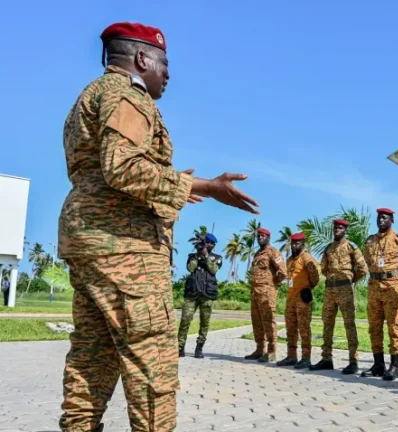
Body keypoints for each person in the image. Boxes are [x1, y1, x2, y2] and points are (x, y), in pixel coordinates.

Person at [57, 22, 258, 432]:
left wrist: (166, 183)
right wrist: (201, 185)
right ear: (142, 58)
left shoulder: (91, 95)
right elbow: (123, 167)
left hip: (89, 238)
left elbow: (103, 167)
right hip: (124, 246)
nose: (167, 73)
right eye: (164, 63)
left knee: (90, 359)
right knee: (153, 363)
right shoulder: (128, 94)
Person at [311, 219, 368, 374]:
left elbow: (363, 268)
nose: (337, 230)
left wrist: (349, 280)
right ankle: (326, 359)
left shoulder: (351, 246)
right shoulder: (328, 248)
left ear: (345, 230)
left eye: (340, 227)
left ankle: (353, 360)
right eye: (335, 227)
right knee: (327, 324)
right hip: (330, 290)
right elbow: (323, 268)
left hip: (345, 290)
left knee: (349, 324)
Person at [361, 208, 398, 381]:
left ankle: (394, 365)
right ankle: (378, 364)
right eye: (379, 217)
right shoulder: (370, 241)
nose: (380, 220)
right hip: (374, 285)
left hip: (392, 286)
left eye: (384, 217)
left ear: (391, 220)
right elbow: (368, 261)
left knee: (393, 326)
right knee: (374, 326)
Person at [177, 233, 223, 359]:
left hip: (207, 295)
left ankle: (199, 348)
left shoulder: (217, 257)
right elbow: (190, 269)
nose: (207, 246)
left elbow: (213, 270)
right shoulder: (192, 256)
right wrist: (198, 255)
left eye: (209, 244)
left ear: (212, 245)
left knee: (204, 323)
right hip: (192, 294)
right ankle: (180, 348)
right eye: (205, 243)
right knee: (185, 321)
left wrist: (206, 255)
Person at [279, 233, 320, 369]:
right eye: (292, 243)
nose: (294, 246)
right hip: (290, 298)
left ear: (302, 244)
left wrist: (309, 288)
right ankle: (291, 356)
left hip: (302, 298)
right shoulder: (290, 259)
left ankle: (306, 358)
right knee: (290, 329)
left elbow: (315, 275)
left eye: (297, 243)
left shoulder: (306, 257)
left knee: (304, 328)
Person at [245, 228, 287, 363]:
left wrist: (273, 286)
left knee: (268, 321)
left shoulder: (272, 252)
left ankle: (272, 351)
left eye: (263, 236)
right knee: (257, 321)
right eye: (259, 236)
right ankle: (259, 349)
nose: (260, 238)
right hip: (255, 292)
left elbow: (283, 272)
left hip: (267, 293)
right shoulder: (257, 253)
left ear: (269, 237)